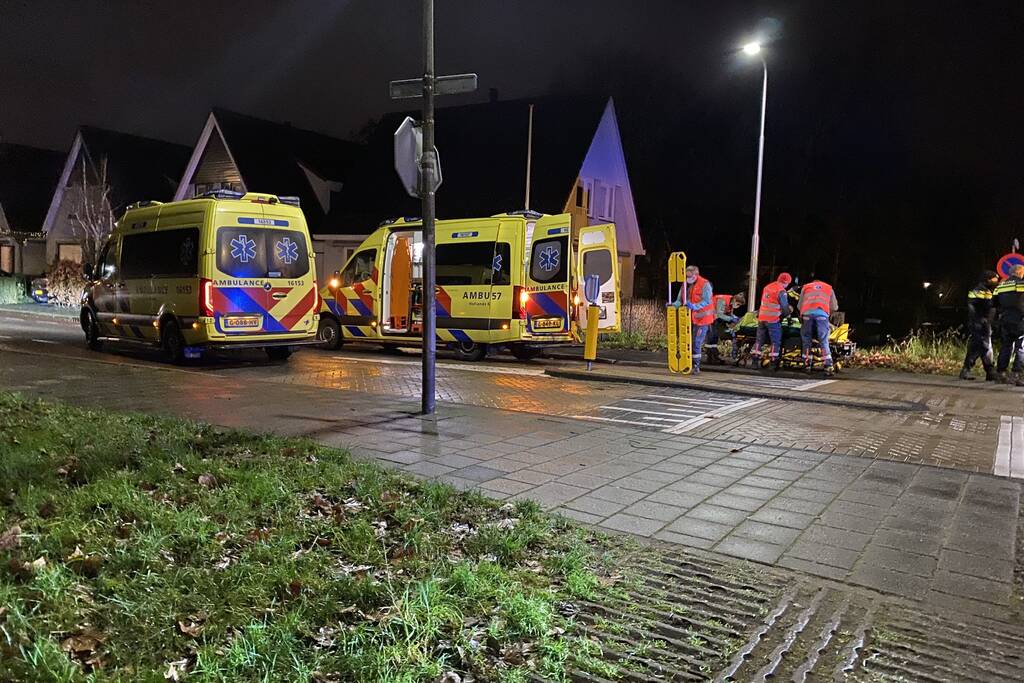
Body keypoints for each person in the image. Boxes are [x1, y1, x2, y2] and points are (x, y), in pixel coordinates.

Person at [673, 265, 714, 372]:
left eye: (690, 276)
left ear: (696, 275)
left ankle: (696, 366)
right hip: (690, 318)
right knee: (688, 341)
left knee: (696, 342)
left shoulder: (705, 284)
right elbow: (680, 300)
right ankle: (689, 363)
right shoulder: (685, 285)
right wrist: (673, 305)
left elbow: (707, 301)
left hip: (703, 319)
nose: (688, 278)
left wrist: (694, 306)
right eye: (687, 276)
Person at [960, 270, 998, 381]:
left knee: (979, 346)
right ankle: (989, 371)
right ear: (988, 279)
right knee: (983, 346)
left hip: (980, 322)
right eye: (995, 278)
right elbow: (987, 306)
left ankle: (987, 371)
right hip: (980, 323)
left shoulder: (982, 290)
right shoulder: (982, 291)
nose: (997, 281)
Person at [799, 278, 839, 374]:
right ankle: (828, 365)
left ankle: (807, 364)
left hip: (807, 316)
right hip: (822, 316)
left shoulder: (806, 287)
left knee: (806, 339)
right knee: (823, 340)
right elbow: (834, 307)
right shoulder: (828, 288)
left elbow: (799, 305)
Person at [752, 273, 792, 368]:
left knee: (759, 340)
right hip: (773, 320)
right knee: (775, 341)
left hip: (762, 318)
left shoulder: (767, 287)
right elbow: (785, 308)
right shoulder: (781, 291)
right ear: (786, 283)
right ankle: (773, 362)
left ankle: (754, 360)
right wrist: (787, 315)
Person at [994, 264, 1024, 384]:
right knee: (1021, 347)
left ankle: (1001, 373)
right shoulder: (1021, 284)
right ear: (1019, 272)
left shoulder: (1000, 286)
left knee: (1006, 346)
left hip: (1005, 320)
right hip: (1020, 320)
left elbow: (994, 304)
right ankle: (1016, 374)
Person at [709, 292, 747, 361]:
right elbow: (719, 314)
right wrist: (732, 319)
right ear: (735, 300)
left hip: (713, 318)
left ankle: (713, 356)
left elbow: (730, 314)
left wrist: (736, 318)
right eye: (738, 304)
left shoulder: (730, 302)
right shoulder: (722, 300)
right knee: (712, 337)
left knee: (714, 337)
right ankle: (711, 357)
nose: (738, 306)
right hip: (708, 317)